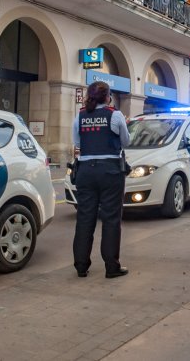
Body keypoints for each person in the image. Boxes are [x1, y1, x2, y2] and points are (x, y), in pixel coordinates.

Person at [71, 81, 131, 278]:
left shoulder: (79, 116)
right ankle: (111, 266)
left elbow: (77, 142)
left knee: (84, 218)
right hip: (110, 171)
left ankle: (81, 265)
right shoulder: (115, 115)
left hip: (86, 170)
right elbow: (125, 142)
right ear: (108, 97)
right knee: (111, 219)